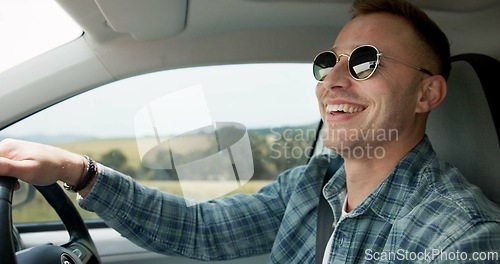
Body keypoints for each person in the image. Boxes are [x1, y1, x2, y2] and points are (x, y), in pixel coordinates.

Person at [1, 0, 499, 262]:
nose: (333, 80)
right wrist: (77, 171)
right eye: (328, 62)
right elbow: (201, 230)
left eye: (366, 62)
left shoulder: (458, 237)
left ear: (427, 95)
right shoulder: (312, 185)